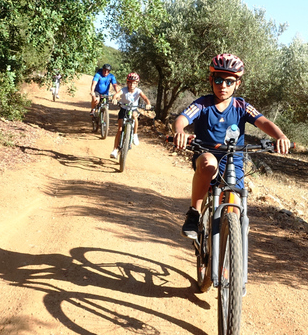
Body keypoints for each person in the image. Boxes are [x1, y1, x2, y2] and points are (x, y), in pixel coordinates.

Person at [173, 53, 291, 239]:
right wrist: (180, 131)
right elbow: (182, 119)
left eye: (229, 81)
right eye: (218, 80)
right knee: (208, 162)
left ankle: (228, 262)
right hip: (206, 155)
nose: (223, 86)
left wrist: (281, 136)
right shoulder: (203, 104)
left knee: (235, 210)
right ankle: (194, 214)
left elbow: (263, 122)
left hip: (233, 161)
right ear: (211, 80)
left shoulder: (241, 106)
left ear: (238, 83)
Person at [110, 72, 151, 159]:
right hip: (124, 109)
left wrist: (148, 103)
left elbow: (145, 98)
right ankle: (115, 150)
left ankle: (135, 134)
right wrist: (114, 98)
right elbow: (117, 94)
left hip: (133, 109)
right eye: (130, 82)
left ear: (137, 83)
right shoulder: (124, 90)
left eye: (134, 83)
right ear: (127, 82)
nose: (132, 84)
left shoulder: (138, 91)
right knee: (120, 129)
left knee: (134, 115)